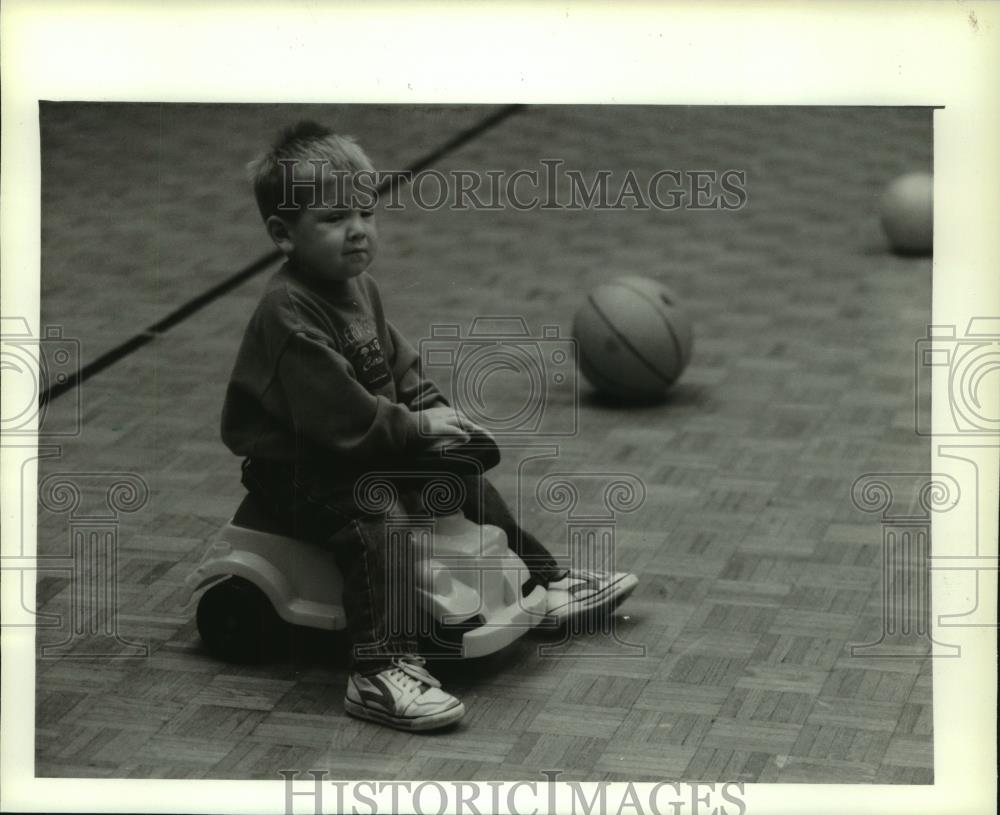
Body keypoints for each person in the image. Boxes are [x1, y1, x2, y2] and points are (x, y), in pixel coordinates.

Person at [221, 121, 637, 732]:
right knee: (379, 521)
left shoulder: (356, 286)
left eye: (365, 211)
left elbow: (398, 364)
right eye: (334, 219)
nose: (358, 228)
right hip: (303, 467)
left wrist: (438, 416)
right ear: (283, 235)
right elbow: (339, 416)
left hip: (362, 444)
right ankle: (377, 669)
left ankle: (546, 583)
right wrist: (416, 428)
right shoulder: (289, 316)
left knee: (462, 479)